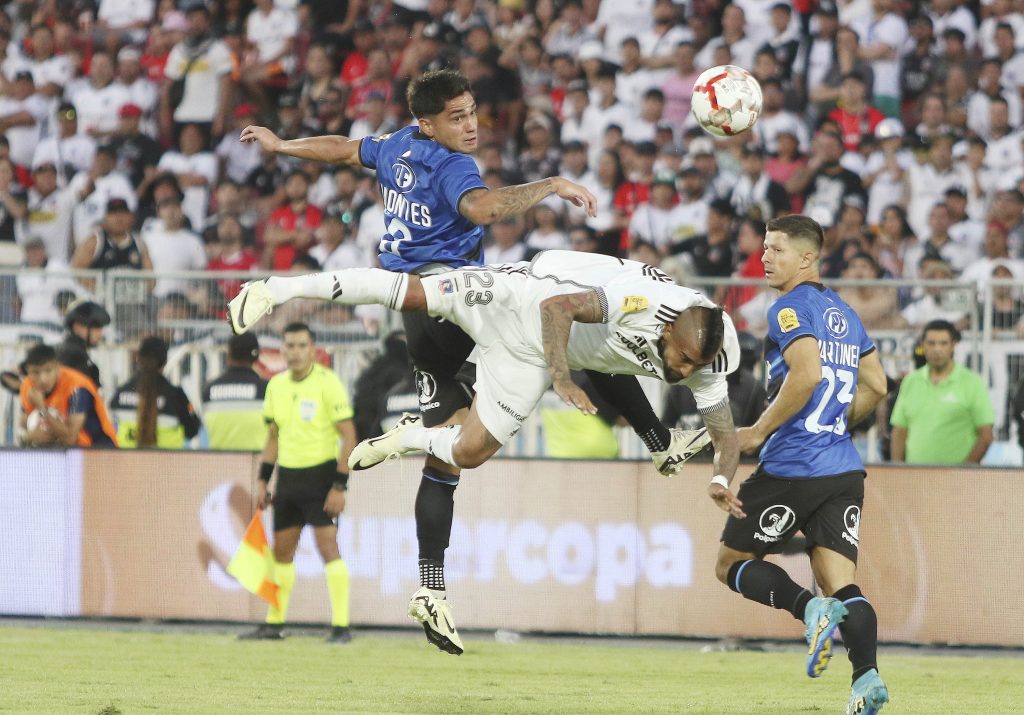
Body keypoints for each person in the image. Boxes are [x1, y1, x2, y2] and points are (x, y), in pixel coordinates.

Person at [238, 69, 705, 654]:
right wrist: (552, 183)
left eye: (472, 111)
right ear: (428, 123)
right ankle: (659, 441)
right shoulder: (451, 163)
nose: (471, 124)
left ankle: (430, 587)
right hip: (458, 304)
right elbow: (482, 209)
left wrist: (284, 145)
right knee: (576, 334)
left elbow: (343, 148)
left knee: (451, 459)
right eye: (457, 117)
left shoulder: (397, 145)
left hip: (418, 319)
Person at [229, 248, 743, 654]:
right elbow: (557, 307)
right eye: (679, 358)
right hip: (515, 297)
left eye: (691, 367)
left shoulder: (711, 358)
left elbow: (723, 434)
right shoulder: (640, 303)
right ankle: (276, 288)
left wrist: (720, 479)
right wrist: (563, 378)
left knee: (468, 453)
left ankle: (412, 437)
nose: (680, 372)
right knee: (408, 292)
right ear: (671, 325)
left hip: (530, 358)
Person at [714, 215, 890, 715]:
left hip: (791, 465)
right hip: (843, 469)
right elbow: (877, 385)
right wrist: (836, 423)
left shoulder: (789, 308)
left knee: (730, 564)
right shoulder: (846, 313)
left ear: (807, 258)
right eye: (765, 248)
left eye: (776, 250)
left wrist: (758, 431)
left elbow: (807, 374)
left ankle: (806, 609)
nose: (765, 257)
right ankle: (866, 680)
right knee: (842, 583)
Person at [239, 322, 357, 644]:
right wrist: (263, 480)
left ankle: (341, 627)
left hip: (320, 477)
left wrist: (339, 485)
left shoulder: (328, 383)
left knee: (328, 548)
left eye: (301, 346)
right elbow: (273, 437)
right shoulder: (275, 386)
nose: (294, 352)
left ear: (312, 349)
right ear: (281, 349)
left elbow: (349, 436)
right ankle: (274, 624)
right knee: (281, 554)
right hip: (288, 480)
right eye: (288, 346)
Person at [889, 320, 994, 464]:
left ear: (953, 345)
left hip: (958, 482)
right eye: (931, 343)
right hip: (915, 478)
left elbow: (986, 436)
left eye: (943, 343)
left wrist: (965, 471)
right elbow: (899, 431)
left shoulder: (972, 382)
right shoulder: (910, 382)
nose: (937, 349)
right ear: (923, 345)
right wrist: (898, 469)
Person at [109, 335, 202, 449]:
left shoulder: (120, 394)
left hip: (127, 464)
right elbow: (193, 430)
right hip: (167, 464)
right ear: (165, 361)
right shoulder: (176, 396)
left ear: (138, 358)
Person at [18, 343, 117, 448]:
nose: (43, 379)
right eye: (35, 372)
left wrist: (42, 408)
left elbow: (70, 438)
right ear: (28, 371)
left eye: (48, 370)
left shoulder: (77, 388)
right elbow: (26, 421)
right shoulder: (27, 386)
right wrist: (28, 437)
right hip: (64, 452)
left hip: (100, 449)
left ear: (57, 367)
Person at [201, 333, 268, 451]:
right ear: (257, 356)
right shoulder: (267, 389)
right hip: (256, 465)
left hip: (219, 464)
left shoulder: (209, 390)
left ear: (229, 355)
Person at [57, 299, 110, 388]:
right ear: (77, 326)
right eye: (96, 327)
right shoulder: (74, 355)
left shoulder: (72, 351)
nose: (100, 333)